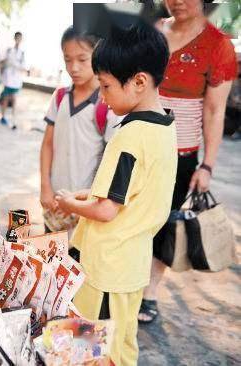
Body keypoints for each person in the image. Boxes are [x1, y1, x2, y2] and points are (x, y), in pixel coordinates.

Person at [55, 23, 176, 365]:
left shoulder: (129, 137)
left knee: (89, 346)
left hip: (105, 265)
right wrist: (86, 194)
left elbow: (107, 210)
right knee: (122, 343)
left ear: (139, 81)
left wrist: (69, 204)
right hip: (132, 262)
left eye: (106, 86)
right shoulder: (165, 128)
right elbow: (131, 192)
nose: (103, 97)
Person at [139, 0, 237, 323]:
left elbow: (214, 110)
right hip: (136, 144)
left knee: (165, 225)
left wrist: (207, 165)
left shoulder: (218, 45)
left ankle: (148, 292)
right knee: (127, 218)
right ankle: (122, 283)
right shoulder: (151, 32)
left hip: (179, 155)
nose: (177, 0)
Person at [40, 27, 115, 246]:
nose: (74, 67)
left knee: (78, 263)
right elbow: (47, 145)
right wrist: (45, 186)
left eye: (83, 59)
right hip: (54, 201)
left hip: (85, 205)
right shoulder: (60, 97)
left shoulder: (106, 103)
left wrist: (90, 200)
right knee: (51, 257)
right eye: (67, 59)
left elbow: (110, 159)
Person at [0, 32, 27, 129]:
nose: (18, 40)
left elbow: (24, 67)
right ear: (14, 38)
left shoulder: (22, 53)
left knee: (14, 99)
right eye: (17, 38)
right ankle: (3, 116)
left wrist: (16, 65)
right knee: (6, 98)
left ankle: (13, 119)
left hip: (16, 80)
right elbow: (2, 62)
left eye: (20, 38)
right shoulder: (8, 50)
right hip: (8, 78)